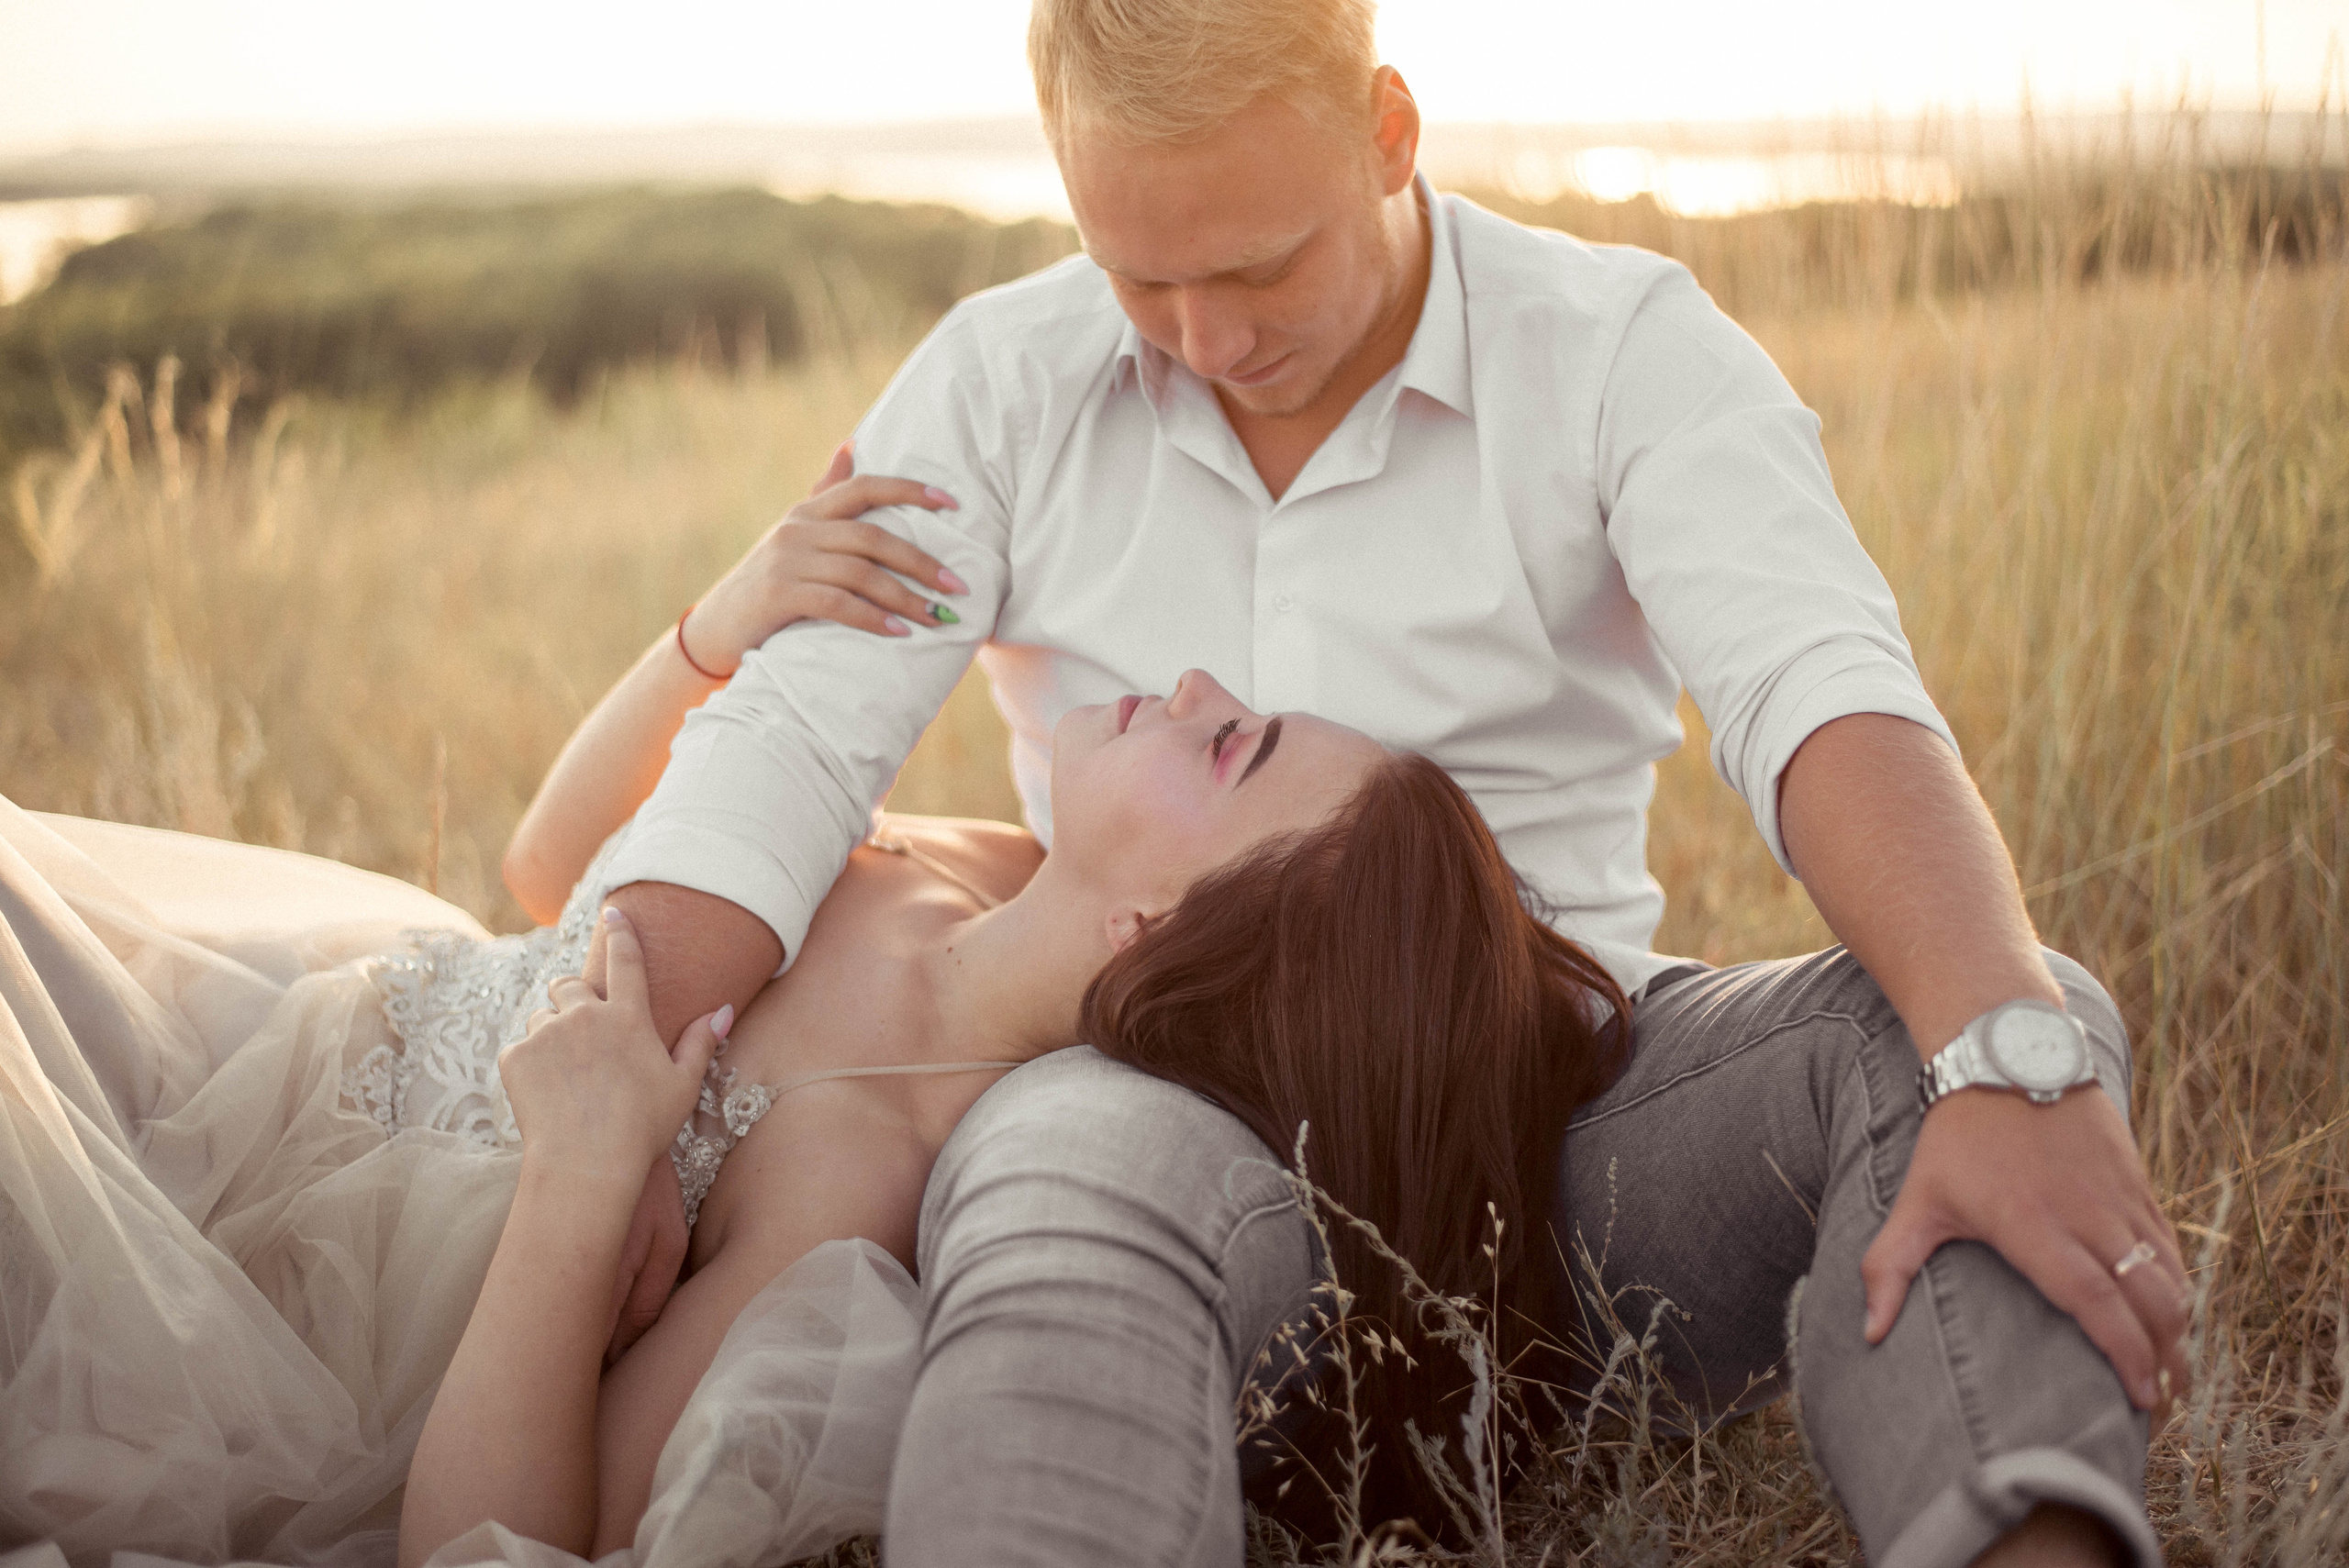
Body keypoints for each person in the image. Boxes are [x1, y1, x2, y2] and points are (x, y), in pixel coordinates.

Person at [584, 2, 2192, 1564]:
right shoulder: (999, 383)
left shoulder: (1618, 347)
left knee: (1993, 1019)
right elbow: (791, 744)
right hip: (1150, 1092)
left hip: (1563, 1108)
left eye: (1263, 262)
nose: (1211, 341)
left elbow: (1818, 684)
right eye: (1139, 274)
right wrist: (635, 1111)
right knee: (1056, 1166)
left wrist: (2000, 1049)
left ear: (1387, 131)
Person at [6, 457, 1580, 1564]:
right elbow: (555, 866)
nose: (1190, 686)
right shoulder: (975, 859)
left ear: (1165, 931)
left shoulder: (858, 1171)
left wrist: (576, 1179)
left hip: (221, 1262)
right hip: (273, 1006)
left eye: (1231, 746)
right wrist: (725, 623)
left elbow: (490, 1547)